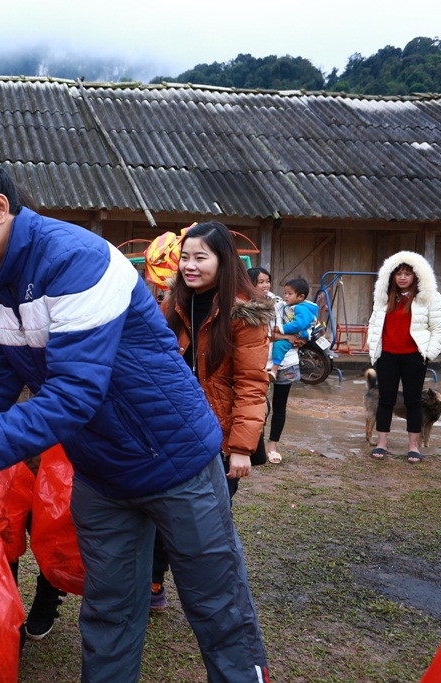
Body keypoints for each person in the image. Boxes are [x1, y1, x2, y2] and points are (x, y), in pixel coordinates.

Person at [0, 157, 268, 683]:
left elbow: (74, 396)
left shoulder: (77, 259)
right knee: (109, 613)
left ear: (0, 209)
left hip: (175, 459)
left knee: (217, 606)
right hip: (101, 472)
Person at [152, 221, 273, 610]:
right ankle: (153, 583)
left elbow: (253, 384)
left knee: (205, 524)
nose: (190, 265)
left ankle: (212, 596)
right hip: (171, 430)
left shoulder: (245, 314)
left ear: (223, 261)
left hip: (217, 435)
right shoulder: (172, 304)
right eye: (185, 257)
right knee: (157, 512)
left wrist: (240, 447)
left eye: (200, 257)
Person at [366, 251, 441, 463]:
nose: (402, 277)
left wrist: (429, 352)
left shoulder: (429, 297)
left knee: (413, 402)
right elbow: (374, 324)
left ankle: (413, 447)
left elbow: (439, 327)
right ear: (391, 276)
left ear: (416, 275)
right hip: (387, 356)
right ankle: (381, 444)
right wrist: (373, 348)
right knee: (386, 400)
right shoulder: (384, 298)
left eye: (407, 273)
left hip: (413, 357)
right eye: (398, 273)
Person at [247, 267, 298, 465]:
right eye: (261, 281)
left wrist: (297, 337)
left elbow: (294, 327)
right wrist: (287, 336)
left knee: (280, 406)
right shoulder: (244, 305)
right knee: (257, 405)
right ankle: (254, 445)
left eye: (267, 281)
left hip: (285, 360)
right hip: (259, 361)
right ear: (250, 283)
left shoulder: (278, 302)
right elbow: (262, 335)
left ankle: (273, 447)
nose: (266, 285)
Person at [270, 278, 317, 379]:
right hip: (295, 334)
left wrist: (281, 329)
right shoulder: (290, 306)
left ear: (301, 297)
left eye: (289, 294)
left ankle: (274, 369)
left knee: (279, 345)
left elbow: (298, 325)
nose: (286, 296)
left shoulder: (301, 308)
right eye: (285, 293)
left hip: (298, 335)